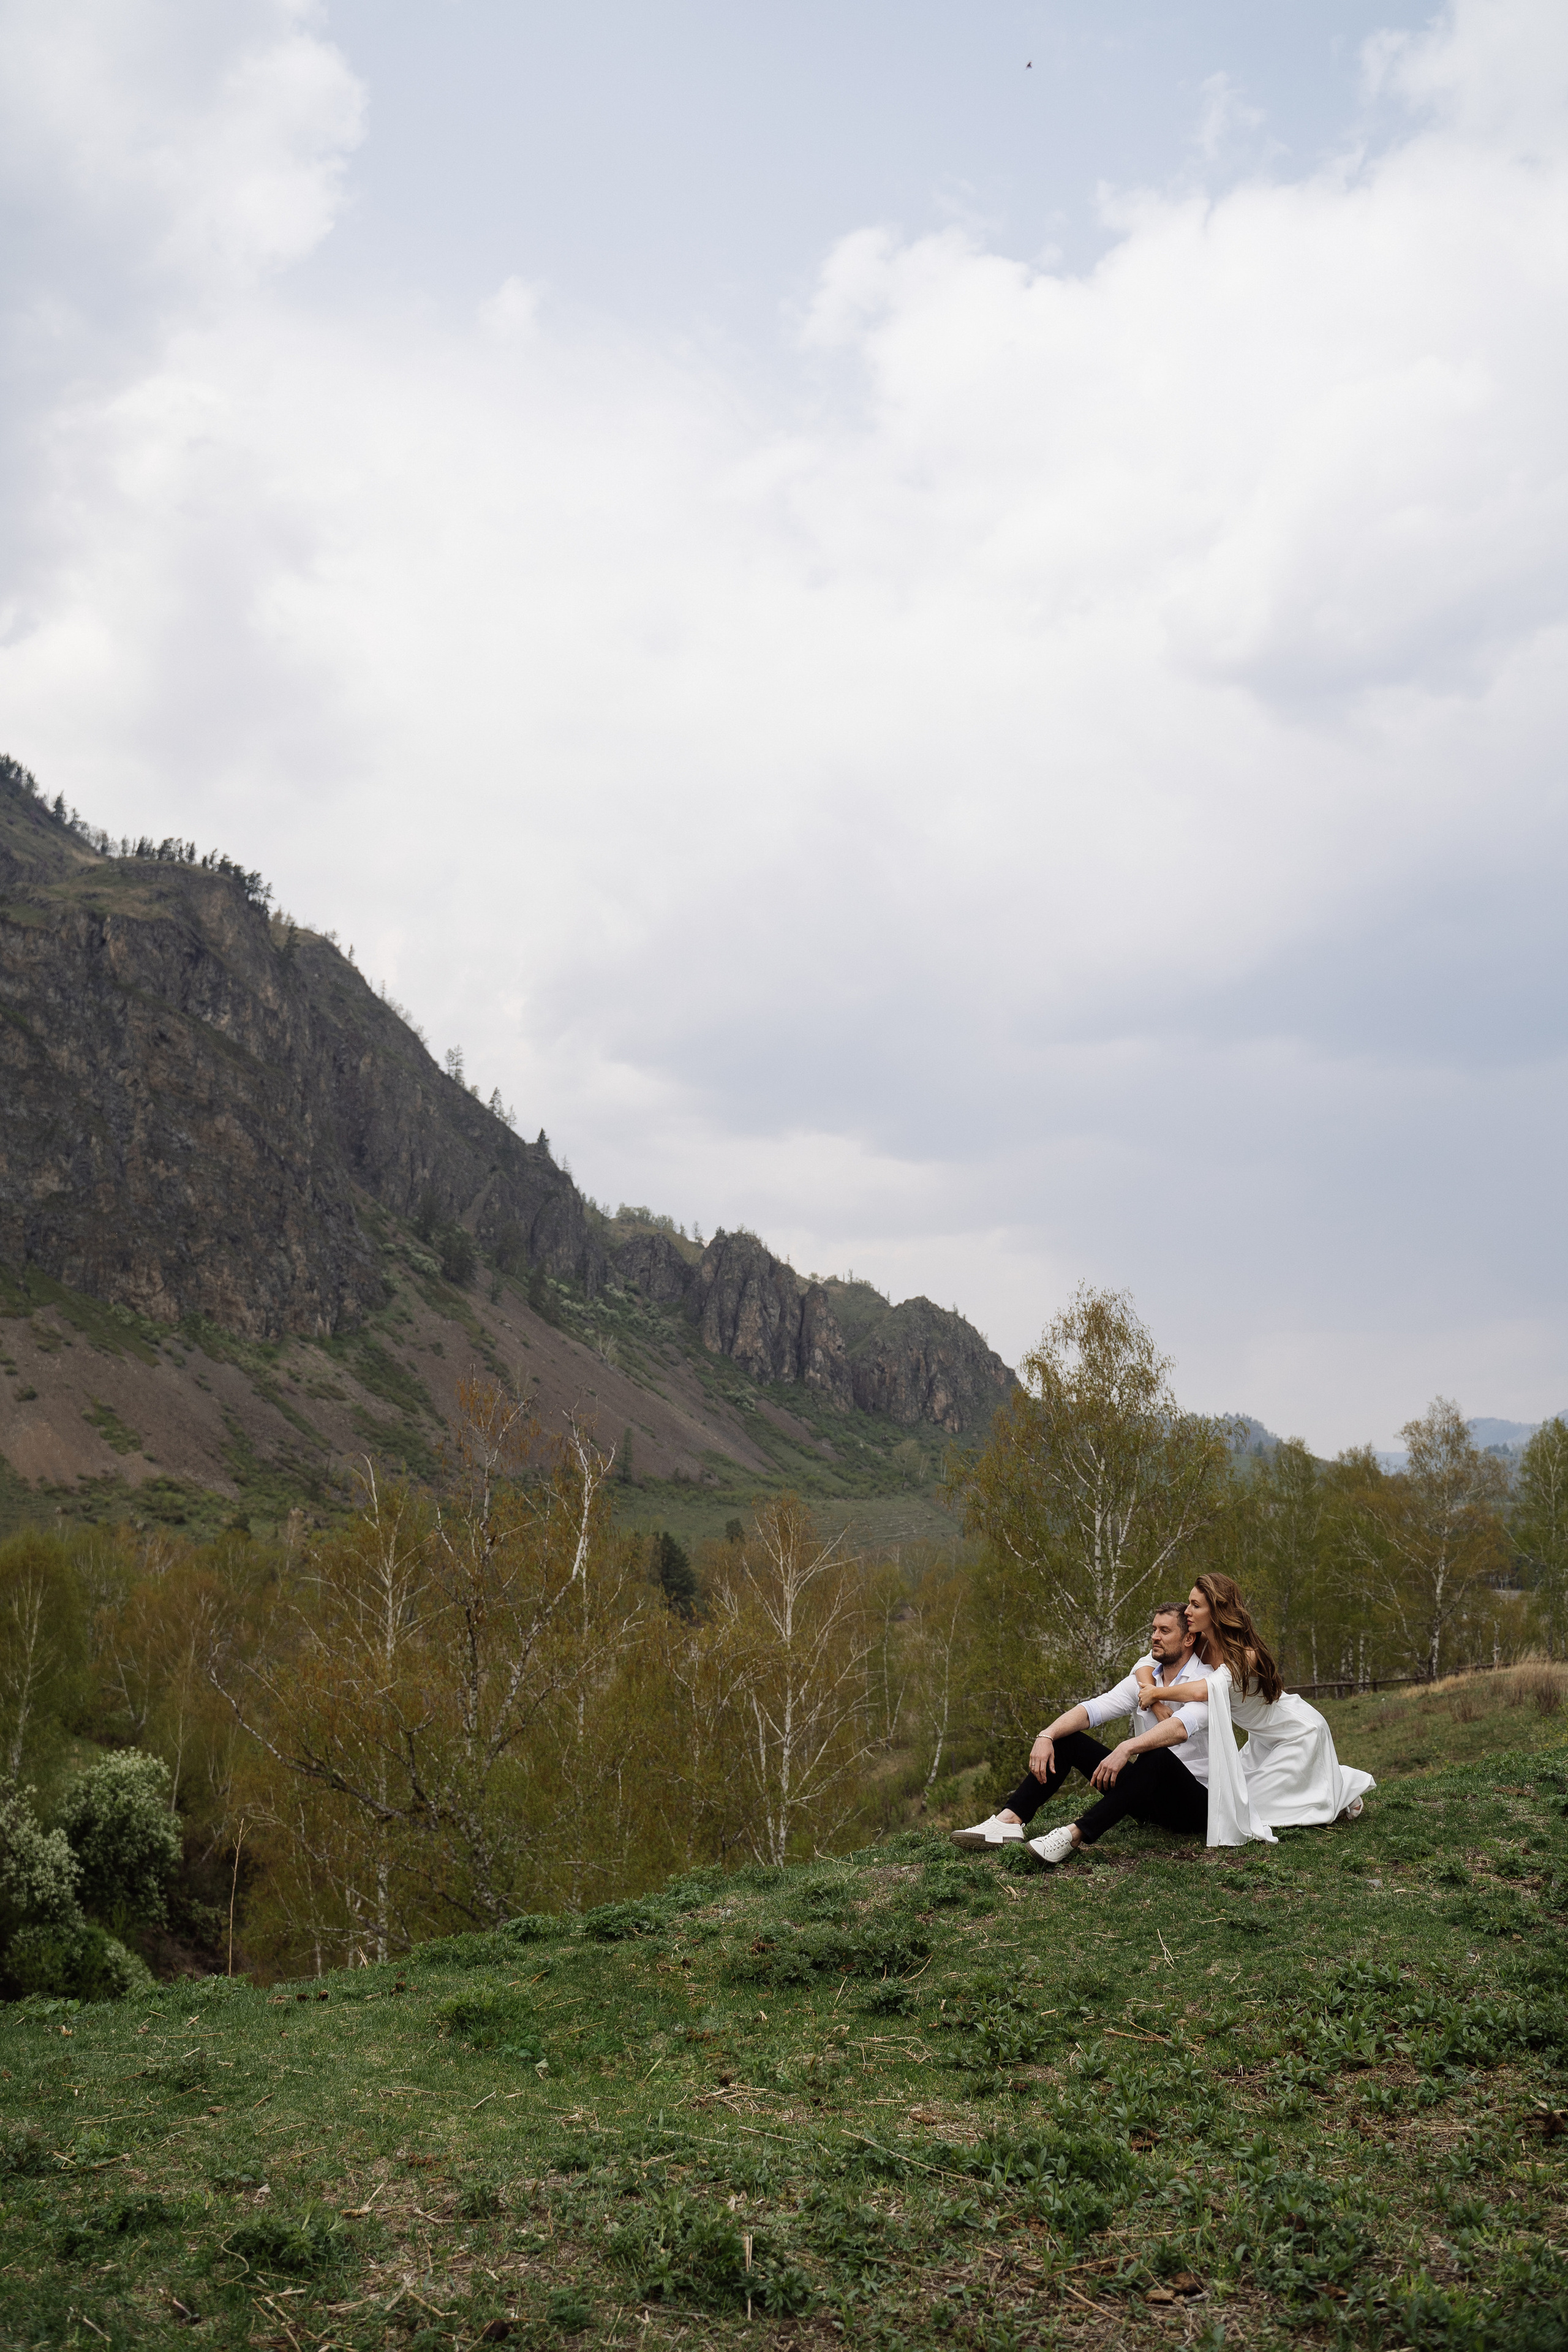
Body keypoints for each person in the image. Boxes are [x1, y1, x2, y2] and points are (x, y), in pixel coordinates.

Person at [950, 1603, 1215, 1865]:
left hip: (1194, 1805)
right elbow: (1093, 1710)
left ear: (1188, 1638)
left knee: (1156, 1755)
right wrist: (1047, 1735)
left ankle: (1074, 1835)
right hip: (1150, 1799)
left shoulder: (1205, 1683)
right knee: (1068, 1739)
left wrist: (1126, 1748)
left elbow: (1180, 1728)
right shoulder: (1146, 1680)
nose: (1155, 1637)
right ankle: (1010, 1820)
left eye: (1165, 1631)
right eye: (1154, 1629)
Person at [1137, 1573, 1375, 1845]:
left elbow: (1205, 1690)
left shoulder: (1246, 1654)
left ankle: (1339, 1790)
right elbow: (1147, 1661)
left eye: (1196, 1605)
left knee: (1252, 1807)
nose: (1187, 1611)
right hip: (1261, 1738)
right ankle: (1335, 1781)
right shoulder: (1200, 1644)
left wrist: (1159, 1692)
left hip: (1297, 1731)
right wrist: (1153, 1699)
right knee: (1237, 1797)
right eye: (1189, 1603)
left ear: (1216, 1612)